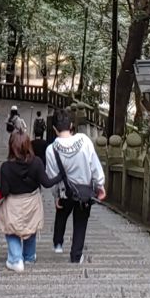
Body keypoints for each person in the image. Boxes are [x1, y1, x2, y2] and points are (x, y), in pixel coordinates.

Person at [44, 110, 106, 264]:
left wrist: (56, 195)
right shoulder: (84, 140)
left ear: (54, 129)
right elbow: (94, 165)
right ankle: (76, 256)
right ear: (71, 125)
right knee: (80, 222)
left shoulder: (51, 150)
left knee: (61, 215)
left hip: (65, 192)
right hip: (84, 191)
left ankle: (58, 242)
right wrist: (100, 184)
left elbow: (52, 176)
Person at [0, 129, 59, 272]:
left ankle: (16, 259)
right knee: (31, 227)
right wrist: (61, 176)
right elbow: (47, 183)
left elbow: (4, 191)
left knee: (11, 229)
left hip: (13, 201)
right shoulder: (36, 162)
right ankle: (29, 257)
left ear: (11, 146)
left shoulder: (6, 167)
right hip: (32, 201)